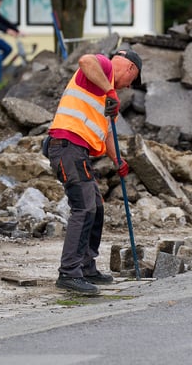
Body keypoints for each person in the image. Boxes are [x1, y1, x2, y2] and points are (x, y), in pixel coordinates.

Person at [46, 49, 142, 295]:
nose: (127, 86)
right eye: (131, 80)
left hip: (77, 152)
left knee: (96, 207)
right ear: (130, 68)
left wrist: (117, 159)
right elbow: (85, 60)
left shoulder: (106, 96)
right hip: (67, 147)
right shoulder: (104, 68)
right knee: (84, 207)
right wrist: (109, 91)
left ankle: (87, 267)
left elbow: (107, 132)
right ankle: (69, 273)